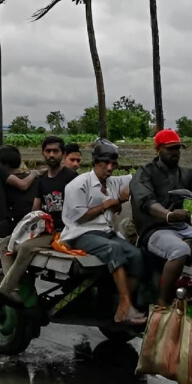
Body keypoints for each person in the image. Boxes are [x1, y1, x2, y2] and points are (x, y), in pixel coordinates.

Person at [0, 136, 78, 310]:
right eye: (48, 151)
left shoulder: (71, 178)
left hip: (62, 232)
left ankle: (2, 292)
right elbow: (35, 210)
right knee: (6, 243)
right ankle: (13, 291)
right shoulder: (42, 181)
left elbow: (78, 210)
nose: (51, 154)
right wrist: (23, 230)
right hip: (44, 229)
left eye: (55, 151)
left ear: (63, 154)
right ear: (43, 153)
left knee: (26, 247)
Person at [60, 139, 146, 324]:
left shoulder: (113, 182)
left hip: (106, 233)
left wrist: (124, 196)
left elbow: (139, 176)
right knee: (113, 249)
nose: (110, 168)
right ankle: (126, 305)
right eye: (106, 163)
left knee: (137, 256)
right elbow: (79, 218)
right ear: (95, 162)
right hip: (81, 234)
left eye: (113, 164)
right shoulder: (78, 184)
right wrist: (107, 204)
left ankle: (122, 305)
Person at [130, 129, 192, 307]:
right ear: (158, 149)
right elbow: (146, 202)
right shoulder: (145, 173)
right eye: (170, 148)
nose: (175, 152)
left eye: (178, 148)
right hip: (154, 230)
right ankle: (163, 303)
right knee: (179, 250)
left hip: (181, 228)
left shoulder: (185, 174)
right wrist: (169, 215)